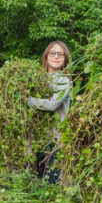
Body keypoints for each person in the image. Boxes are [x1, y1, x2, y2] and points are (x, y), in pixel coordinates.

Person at [27, 41, 72, 184]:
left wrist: (26, 99)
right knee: (34, 177)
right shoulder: (36, 80)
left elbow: (52, 104)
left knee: (51, 180)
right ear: (46, 57)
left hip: (56, 138)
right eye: (53, 53)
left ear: (65, 59)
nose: (56, 56)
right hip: (37, 136)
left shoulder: (64, 82)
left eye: (60, 54)